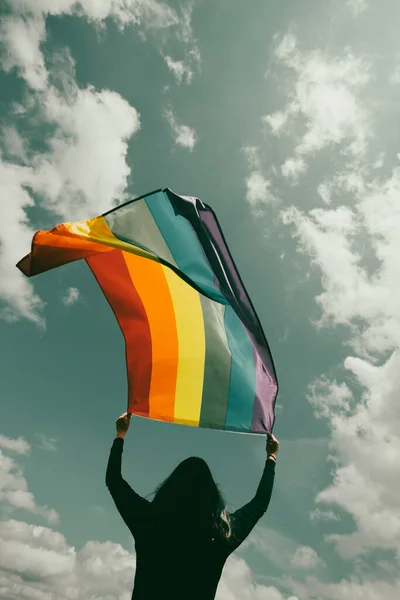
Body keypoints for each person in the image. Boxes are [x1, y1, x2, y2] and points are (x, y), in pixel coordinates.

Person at [106, 412, 279, 600]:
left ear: (170, 488)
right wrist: (271, 457)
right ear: (211, 496)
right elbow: (259, 504)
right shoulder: (222, 534)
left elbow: (114, 480)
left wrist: (120, 434)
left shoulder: (148, 521)